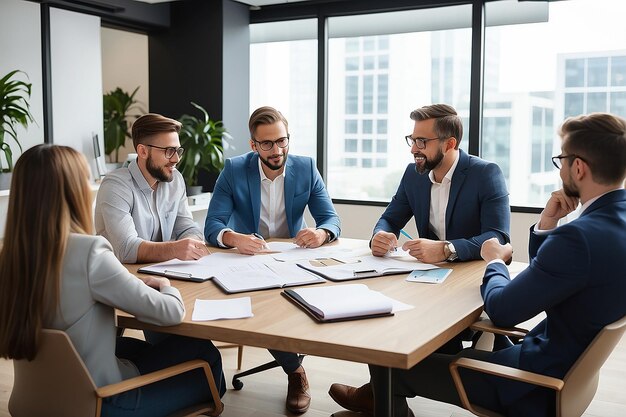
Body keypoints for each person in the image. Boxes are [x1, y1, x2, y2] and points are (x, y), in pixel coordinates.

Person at [328, 112, 626, 417]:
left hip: (530, 382)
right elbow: (550, 275)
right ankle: (381, 402)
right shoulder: (612, 224)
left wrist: (495, 262)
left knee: (388, 358)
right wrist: (547, 224)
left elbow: (502, 311)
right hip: (566, 373)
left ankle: (385, 404)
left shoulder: (577, 237)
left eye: (560, 160)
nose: (560, 169)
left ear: (578, 167)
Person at [0, 144, 226, 417]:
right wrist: (165, 286)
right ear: (73, 192)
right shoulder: (88, 252)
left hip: (31, 402)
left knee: (135, 348)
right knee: (205, 355)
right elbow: (170, 311)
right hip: (102, 405)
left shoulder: (10, 257)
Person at [204, 106, 341, 413]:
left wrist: (320, 233)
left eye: (282, 141)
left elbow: (331, 218)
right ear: (253, 145)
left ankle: (292, 359)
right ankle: (296, 372)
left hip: (294, 259)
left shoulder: (305, 167)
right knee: (267, 308)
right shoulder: (234, 169)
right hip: (248, 261)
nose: (277, 150)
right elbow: (212, 226)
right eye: (267, 143)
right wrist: (235, 238)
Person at [371, 103, 510, 264]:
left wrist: (447, 249)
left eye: (422, 141)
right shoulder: (413, 174)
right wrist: (380, 235)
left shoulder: (486, 174)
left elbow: (498, 237)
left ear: (449, 144)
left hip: (472, 272)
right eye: (413, 140)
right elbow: (390, 220)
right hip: (428, 273)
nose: (414, 149)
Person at [95, 113, 209, 264]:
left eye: (178, 150)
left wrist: (191, 243)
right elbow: (126, 248)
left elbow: (187, 228)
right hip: (121, 277)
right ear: (142, 151)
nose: (176, 159)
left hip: (163, 271)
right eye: (169, 151)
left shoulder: (175, 180)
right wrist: (175, 249)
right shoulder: (115, 186)